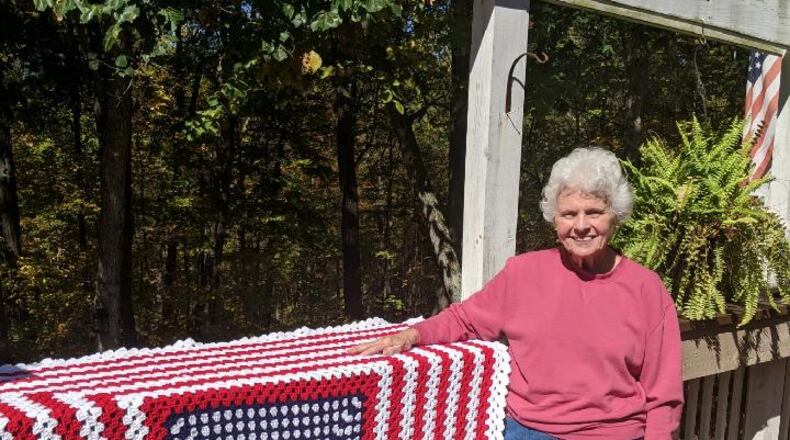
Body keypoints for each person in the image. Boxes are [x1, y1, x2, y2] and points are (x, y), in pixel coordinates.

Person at [349, 147, 683, 440]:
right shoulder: (523, 274)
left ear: (616, 216)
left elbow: (663, 396)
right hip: (528, 431)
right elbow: (465, 319)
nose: (581, 225)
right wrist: (414, 334)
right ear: (555, 220)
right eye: (569, 214)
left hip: (613, 433)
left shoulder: (646, 290)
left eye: (594, 212)